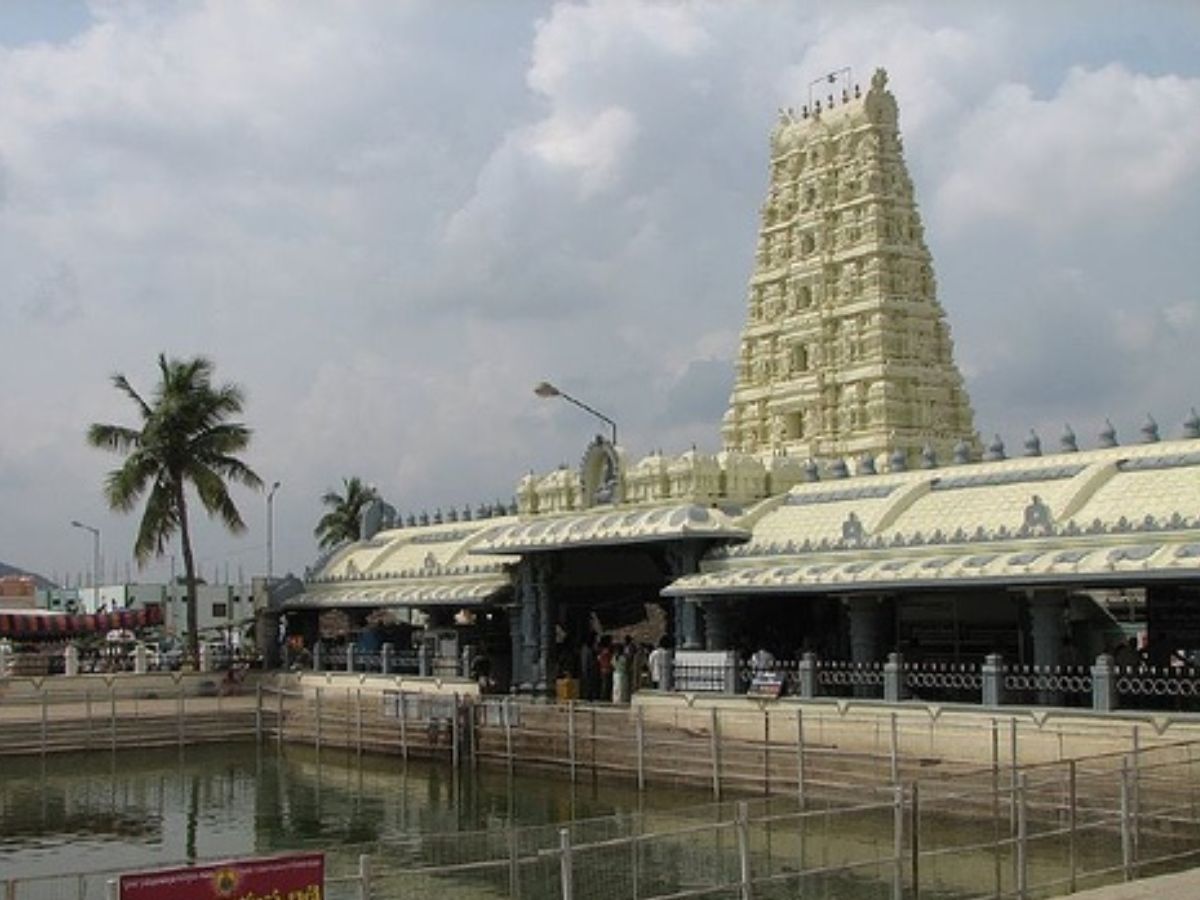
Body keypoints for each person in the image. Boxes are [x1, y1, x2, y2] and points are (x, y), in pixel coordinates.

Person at [579, 634, 599, 701]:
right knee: (587, 685)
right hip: (587, 671)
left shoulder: (589, 649)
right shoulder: (586, 649)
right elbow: (586, 662)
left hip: (590, 671)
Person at [597, 635, 614, 702]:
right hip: (606, 669)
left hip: (604, 669)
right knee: (606, 685)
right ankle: (604, 698)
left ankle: (605, 697)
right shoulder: (606, 651)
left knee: (606, 684)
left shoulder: (601, 650)